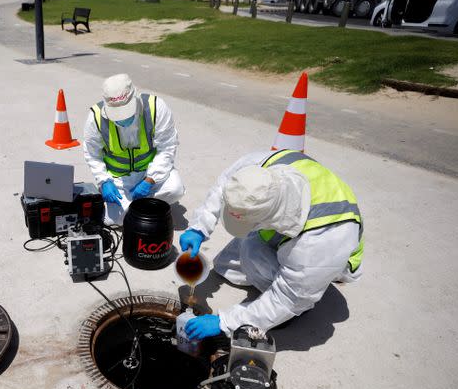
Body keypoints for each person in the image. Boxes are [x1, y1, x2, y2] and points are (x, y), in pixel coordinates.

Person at [179, 149, 364, 341]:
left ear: (269, 218)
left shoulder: (320, 243)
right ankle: (278, 278)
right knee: (228, 266)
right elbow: (225, 186)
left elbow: (289, 298)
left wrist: (224, 322)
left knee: (257, 257)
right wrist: (200, 226)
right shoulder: (262, 168)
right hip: (297, 227)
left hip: (329, 252)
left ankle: (298, 306)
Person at [83, 74, 185, 225]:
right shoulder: (96, 117)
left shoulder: (155, 107)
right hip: (118, 180)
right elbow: (92, 154)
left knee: (175, 189)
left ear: (135, 97)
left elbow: (167, 147)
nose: (123, 120)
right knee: (113, 220)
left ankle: (143, 204)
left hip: (149, 173)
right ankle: (140, 206)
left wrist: (150, 180)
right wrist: (103, 181)